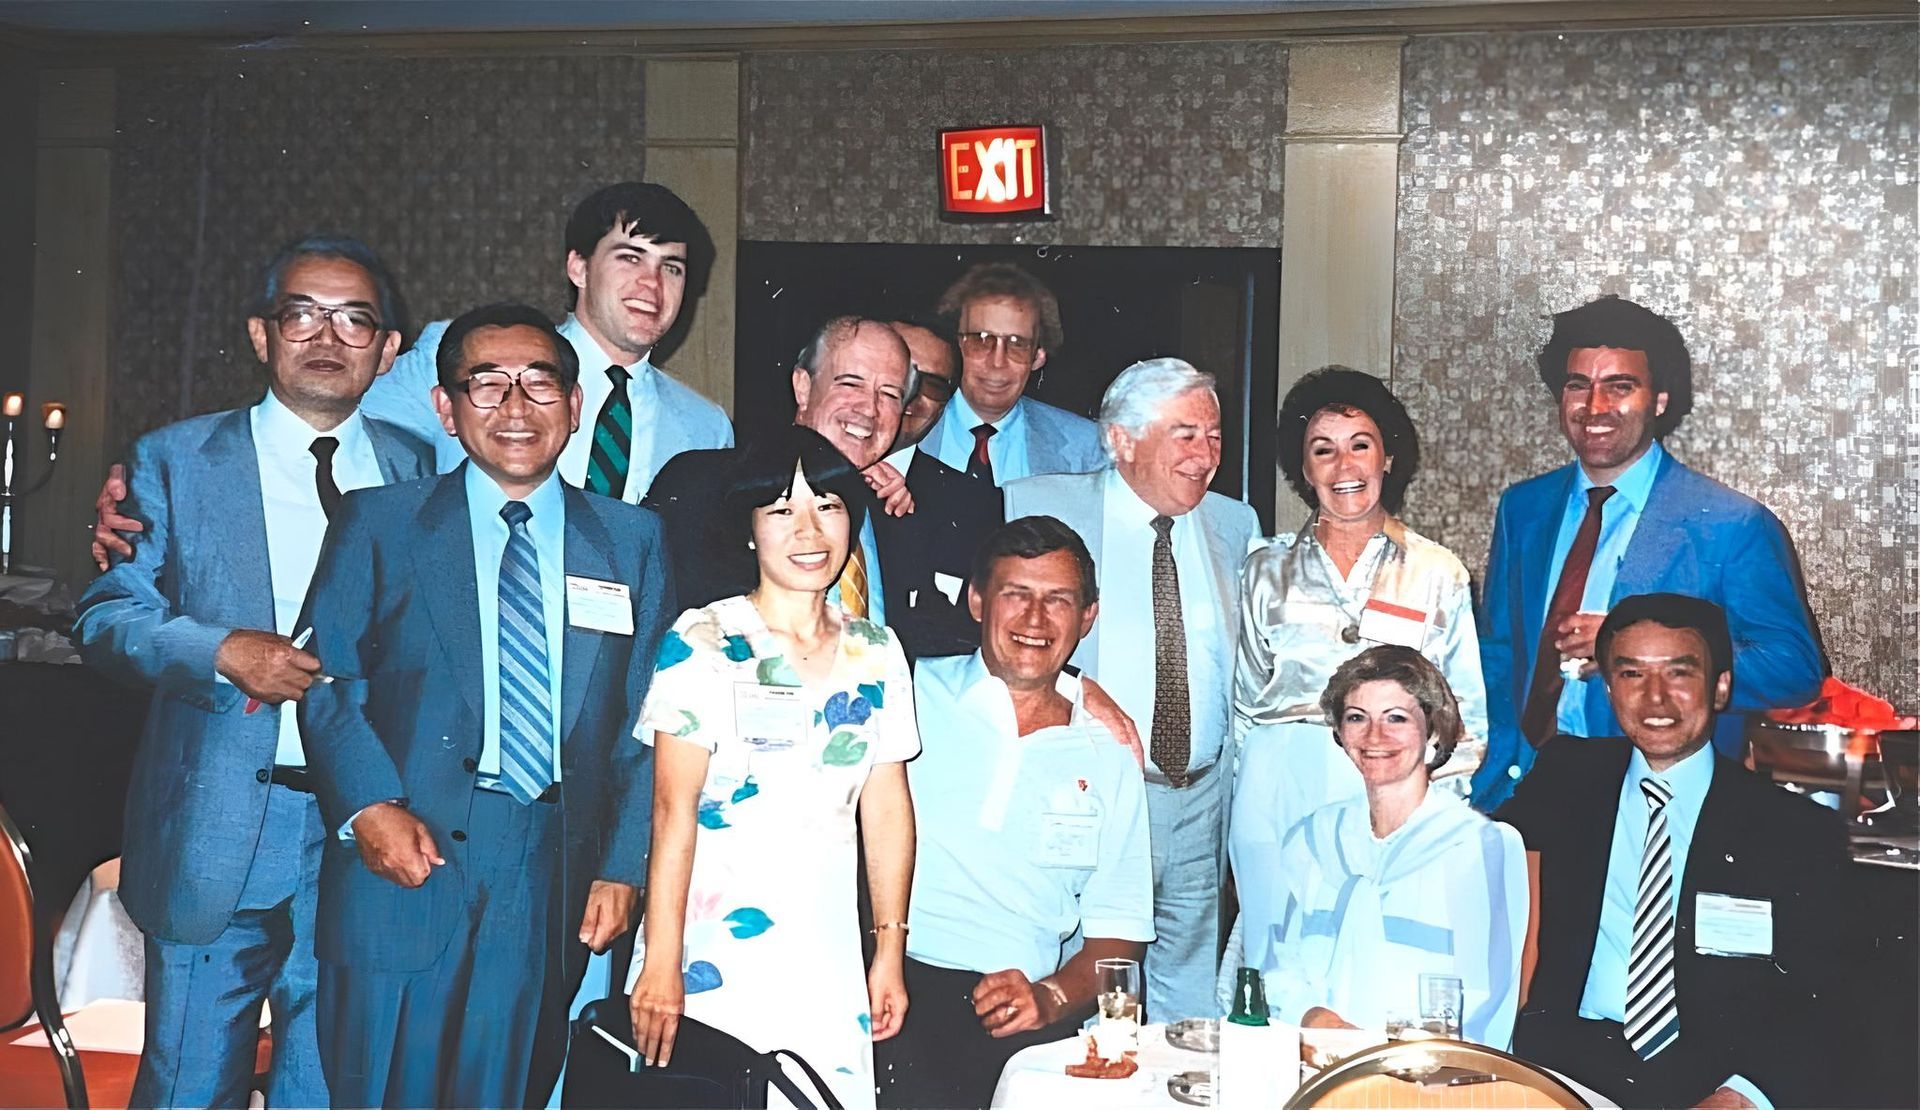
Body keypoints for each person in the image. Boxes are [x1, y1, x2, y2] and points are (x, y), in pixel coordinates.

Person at [72, 236, 433, 1108]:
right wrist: (220, 650)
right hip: (218, 825)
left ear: (388, 351)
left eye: (356, 320)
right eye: (301, 312)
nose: (328, 335)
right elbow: (106, 615)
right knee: (188, 1086)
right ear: (260, 335)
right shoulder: (175, 460)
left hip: (359, 832)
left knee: (329, 1087)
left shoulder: (416, 469)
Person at [296, 303, 671, 1106]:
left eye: (540, 384)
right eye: (487, 384)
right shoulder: (379, 522)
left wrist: (622, 866)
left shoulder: (631, 540)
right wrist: (368, 806)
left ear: (575, 408)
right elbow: (326, 680)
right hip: (402, 853)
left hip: (546, 868)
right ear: (446, 407)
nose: (515, 407)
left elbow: (649, 721)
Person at [91, 181, 731, 566]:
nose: (651, 284)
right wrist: (152, 492)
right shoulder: (455, 359)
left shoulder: (706, 427)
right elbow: (318, 433)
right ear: (578, 266)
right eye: (629, 257)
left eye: (671, 267)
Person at [628, 425, 918, 1110]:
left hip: (826, 949)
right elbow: (672, 812)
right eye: (782, 510)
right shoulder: (704, 639)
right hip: (712, 947)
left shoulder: (875, 651)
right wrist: (662, 961)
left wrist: (889, 951)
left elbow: (887, 809)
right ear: (750, 529)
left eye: (828, 505)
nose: (810, 530)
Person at [1497, 594, 1854, 1108]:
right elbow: (1476, 853)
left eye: (1679, 674)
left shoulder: (1792, 829)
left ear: (1721, 686)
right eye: (1632, 675)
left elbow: (1825, 996)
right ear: (1609, 686)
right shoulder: (1568, 776)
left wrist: (1743, 1095)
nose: (1656, 700)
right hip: (1566, 1069)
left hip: (1714, 1075)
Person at [1473, 296, 1823, 810]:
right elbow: (1499, 653)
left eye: (1620, 386)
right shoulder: (1522, 508)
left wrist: (1629, 650)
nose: (1594, 408)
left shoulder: (1732, 524)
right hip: (1524, 789)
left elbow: (1793, 668)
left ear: (1658, 399)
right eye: (1577, 385)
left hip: (1659, 798)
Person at [1004, 358, 1260, 1022]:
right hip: (1097, 794)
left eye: (1214, 434)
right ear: (1121, 440)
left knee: (1188, 991)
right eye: (1185, 434)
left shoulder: (1236, 526)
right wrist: (1078, 685)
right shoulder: (1035, 503)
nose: (1206, 455)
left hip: (1200, 797)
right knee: (1091, 986)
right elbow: (1001, 636)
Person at [876, 515, 1154, 1108]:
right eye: (1015, 595)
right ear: (977, 601)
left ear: (1087, 618)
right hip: (892, 982)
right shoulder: (909, 690)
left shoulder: (1110, 749)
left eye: (1058, 600)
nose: (1034, 619)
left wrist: (1051, 997)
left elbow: (1119, 934)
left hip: (1020, 1005)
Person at [1230, 367, 1487, 893]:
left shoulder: (1438, 572)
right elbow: (1242, 711)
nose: (1344, 466)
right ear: (1303, 469)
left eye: (1360, 445)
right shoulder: (1262, 570)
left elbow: (1465, 719)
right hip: (1279, 795)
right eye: (1323, 450)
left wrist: (1431, 818)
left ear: (1387, 458)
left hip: (1393, 788)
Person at [1252, 646, 1526, 1050]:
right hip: (1313, 1063)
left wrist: (1393, 1058)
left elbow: (1485, 998)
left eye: (1396, 718)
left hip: (1425, 1078)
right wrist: (1312, 1019)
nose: (1374, 737)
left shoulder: (1478, 847)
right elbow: (1275, 964)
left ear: (1433, 729)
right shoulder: (1312, 839)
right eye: (1356, 718)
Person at [643, 315, 916, 614]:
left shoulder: (897, 510)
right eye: (851, 383)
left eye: (890, 394)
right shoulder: (703, 487)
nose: (869, 408)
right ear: (803, 387)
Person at [872, 315, 1006, 658]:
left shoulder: (976, 506)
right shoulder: (785, 474)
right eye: (899, 373)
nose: (909, 394)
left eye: (931, 385)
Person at [922, 262, 1106, 485]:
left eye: (1017, 344)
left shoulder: (1087, 449)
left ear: (1038, 357)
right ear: (955, 345)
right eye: (981, 340)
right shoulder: (905, 428)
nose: (997, 362)